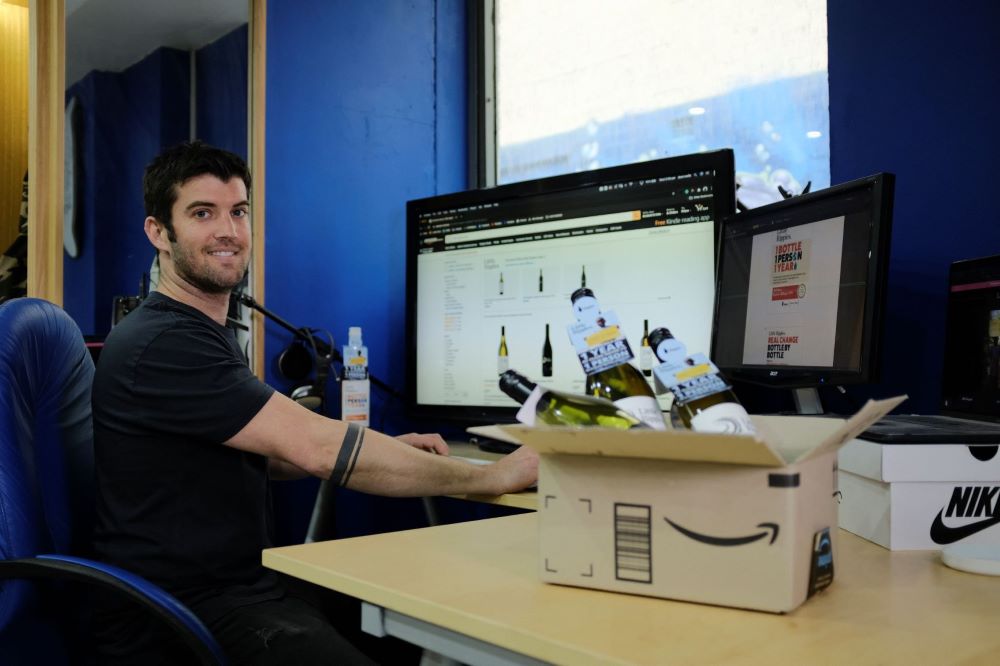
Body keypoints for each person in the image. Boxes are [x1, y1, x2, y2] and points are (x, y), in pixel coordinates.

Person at [91, 141, 538, 665]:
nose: (228, 231)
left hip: (238, 585)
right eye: (202, 213)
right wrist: (493, 476)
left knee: (423, 624)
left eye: (238, 212)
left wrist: (391, 451)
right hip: (179, 615)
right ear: (158, 233)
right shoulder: (165, 342)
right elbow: (321, 449)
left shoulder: (199, 332)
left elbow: (273, 454)